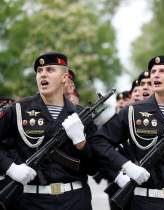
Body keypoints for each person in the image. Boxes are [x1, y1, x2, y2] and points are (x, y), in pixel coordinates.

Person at [90, 55, 164, 210]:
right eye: (153, 71)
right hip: (146, 201)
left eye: (163, 71)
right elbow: (99, 141)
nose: (156, 75)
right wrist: (126, 166)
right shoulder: (132, 112)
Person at [0, 52, 98, 210]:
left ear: (64, 77)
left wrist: (81, 143)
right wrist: (11, 168)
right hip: (32, 202)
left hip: (75, 200)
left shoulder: (81, 115)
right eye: (39, 71)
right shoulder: (18, 110)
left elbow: (94, 168)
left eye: (50, 70)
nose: (43, 74)